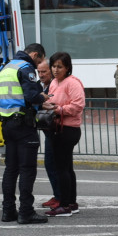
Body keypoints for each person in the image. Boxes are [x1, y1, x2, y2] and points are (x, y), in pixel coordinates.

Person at [0, 43, 48, 224]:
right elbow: (32, 96)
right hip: (23, 126)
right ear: (35, 54)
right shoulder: (26, 67)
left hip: (7, 124)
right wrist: (43, 98)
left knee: (11, 170)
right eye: (39, 60)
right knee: (27, 170)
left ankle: (7, 211)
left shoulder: (7, 67)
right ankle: (26, 212)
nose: (38, 65)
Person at [43, 52, 85, 217]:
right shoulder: (54, 82)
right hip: (56, 128)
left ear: (67, 67)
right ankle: (71, 203)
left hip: (67, 129)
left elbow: (78, 105)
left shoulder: (72, 83)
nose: (55, 69)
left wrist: (57, 109)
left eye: (59, 66)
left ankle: (65, 204)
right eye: (53, 66)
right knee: (66, 168)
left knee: (62, 168)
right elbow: (53, 100)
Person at [36, 59, 61, 209]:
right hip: (48, 130)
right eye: (39, 72)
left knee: (56, 165)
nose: (40, 75)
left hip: (56, 130)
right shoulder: (42, 86)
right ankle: (58, 195)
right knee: (50, 164)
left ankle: (61, 197)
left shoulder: (54, 86)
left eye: (44, 72)